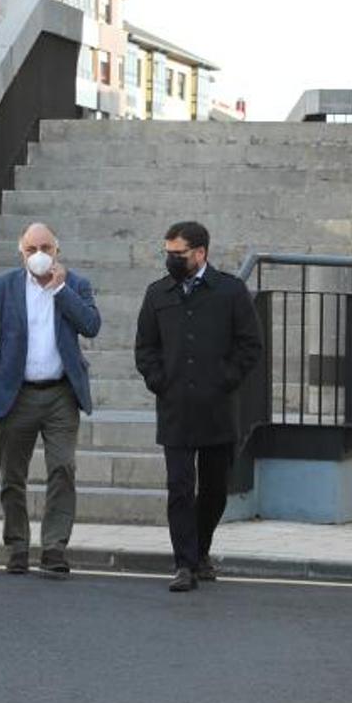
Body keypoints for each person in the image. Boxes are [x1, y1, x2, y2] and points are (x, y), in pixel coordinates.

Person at [134, 221, 262, 593]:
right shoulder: (158, 293)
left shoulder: (230, 291)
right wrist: (159, 380)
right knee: (178, 487)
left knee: (214, 489)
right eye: (168, 253)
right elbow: (145, 348)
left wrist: (226, 378)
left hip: (217, 407)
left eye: (179, 254)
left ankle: (201, 549)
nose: (172, 260)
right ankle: (184, 563)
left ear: (201, 253)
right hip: (175, 407)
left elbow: (250, 345)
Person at [0, 223, 100, 579]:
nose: (39, 254)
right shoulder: (3, 287)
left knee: (63, 468)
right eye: (32, 249)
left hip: (61, 392)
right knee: (12, 474)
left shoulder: (75, 284)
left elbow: (91, 325)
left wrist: (59, 289)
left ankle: (54, 547)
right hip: (17, 394)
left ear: (57, 251)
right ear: (21, 253)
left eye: (45, 247)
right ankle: (17, 545)